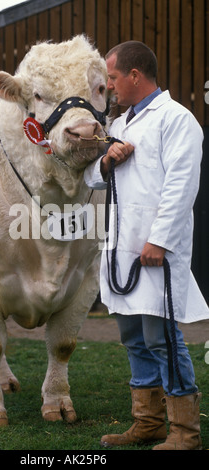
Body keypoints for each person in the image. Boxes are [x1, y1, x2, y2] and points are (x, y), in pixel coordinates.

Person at [84, 41, 209, 450]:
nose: (110, 87)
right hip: (121, 253)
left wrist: (159, 240)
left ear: (135, 76)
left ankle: (184, 433)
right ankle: (148, 422)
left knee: (162, 338)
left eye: (114, 78)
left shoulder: (177, 119)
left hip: (154, 253)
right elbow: (93, 180)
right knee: (134, 338)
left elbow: (181, 186)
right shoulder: (120, 126)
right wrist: (106, 161)